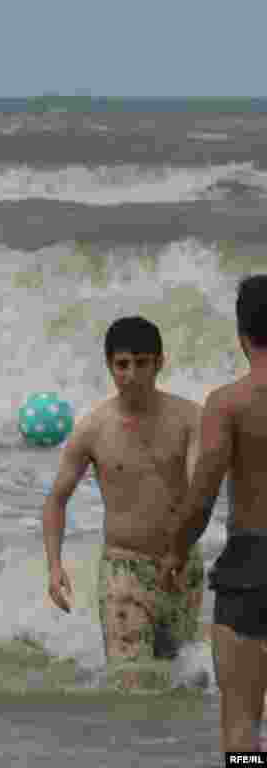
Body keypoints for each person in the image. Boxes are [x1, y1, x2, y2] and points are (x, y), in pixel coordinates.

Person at [42, 316, 204, 689]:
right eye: (122, 365)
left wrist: (180, 550)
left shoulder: (191, 419)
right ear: (109, 365)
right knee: (132, 685)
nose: (131, 374)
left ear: (160, 363)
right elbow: (56, 501)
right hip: (124, 570)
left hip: (181, 564)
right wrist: (54, 566)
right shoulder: (93, 428)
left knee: (182, 684)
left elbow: (200, 491)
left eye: (142, 363)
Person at [168, 274, 267, 754]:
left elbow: (202, 496)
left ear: (242, 334)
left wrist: (174, 552)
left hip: (250, 567)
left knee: (242, 721)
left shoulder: (228, 404)